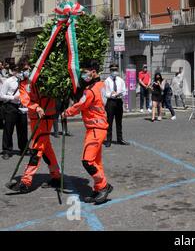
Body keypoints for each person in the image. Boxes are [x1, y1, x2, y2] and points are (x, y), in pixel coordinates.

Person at [62, 60, 113, 204]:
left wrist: (66, 112)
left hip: (95, 129)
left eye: (86, 71)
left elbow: (80, 105)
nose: (83, 74)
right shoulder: (100, 85)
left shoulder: (91, 90)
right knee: (96, 162)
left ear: (94, 71)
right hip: (98, 128)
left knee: (87, 161)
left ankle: (104, 186)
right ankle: (98, 188)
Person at [9, 59, 61, 193]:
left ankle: (26, 181)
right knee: (46, 148)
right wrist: (36, 107)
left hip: (46, 117)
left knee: (37, 148)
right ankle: (56, 176)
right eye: (24, 69)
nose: (26, 71)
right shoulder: (23, 83)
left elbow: (51, 93)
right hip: (34, 117)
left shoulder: (42, 79)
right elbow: (25, 99)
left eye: (28, 68)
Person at [0, 63, 28, 160]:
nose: (19, 72)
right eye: (17, 70)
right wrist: (13, 97)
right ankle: (7, 150)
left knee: (23, 129)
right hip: (11, 106)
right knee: (8, 129)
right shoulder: (8, 81)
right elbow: (1, 96)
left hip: (22, 107)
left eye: (20, 70)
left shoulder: (25, 81)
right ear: (13, 71)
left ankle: (24, 148)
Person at [104, 64, 129, 147]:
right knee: (109, 122)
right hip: (111, 102)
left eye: (116, 70)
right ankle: (108, 140)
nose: (115, 72)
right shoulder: (107, 80)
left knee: (119, 121)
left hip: (119, 101)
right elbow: (105, 93)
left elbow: (125, 91)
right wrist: (111, 94)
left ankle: (120, 139)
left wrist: (121, 94)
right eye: (113, 70)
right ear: (110, 71)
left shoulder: (120, 80)